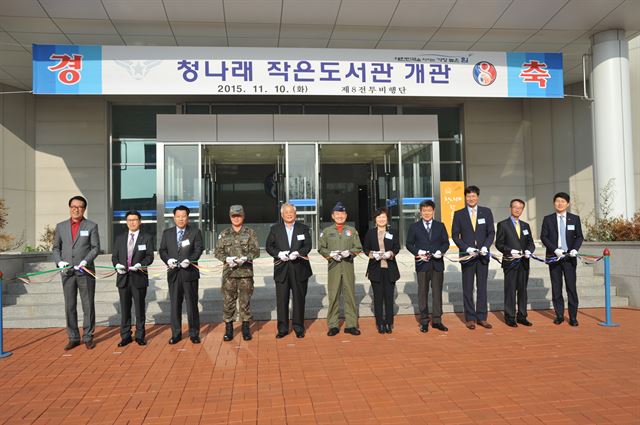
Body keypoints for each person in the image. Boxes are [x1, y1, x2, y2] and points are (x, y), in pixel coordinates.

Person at [52, 195, 101, 350]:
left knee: (88, 305)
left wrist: (85, 261)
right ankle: (73, 337)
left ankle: (88, 336)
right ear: (69, 208)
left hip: (85, 271)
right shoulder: (60, 226)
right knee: (70, 305)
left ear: (84, 209)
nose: (76, 209)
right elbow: (55, 248)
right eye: (73, 206)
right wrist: (59, 261)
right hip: (67, 272)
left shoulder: (91, 226)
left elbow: (95, 248)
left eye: (79, 207)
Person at [265, 203, 313, 338]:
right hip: (282, 269)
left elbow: (308, 245)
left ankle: (298, 327)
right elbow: (269, 246)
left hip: (299, 268)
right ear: (282, 215)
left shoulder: (303, 228)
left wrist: (298, 252)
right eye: (286, 212)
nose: (289, 214)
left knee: (299, 299)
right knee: (282, 300)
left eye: (291, 212)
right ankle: (282, 328)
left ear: (295, 213)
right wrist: (278, 254)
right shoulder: (275, 229)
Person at [451, 185, 495, 330]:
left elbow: (491, 233)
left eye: (474, 196)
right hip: (467, 256)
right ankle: (470, 318)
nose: (471, 198)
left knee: (482, 287)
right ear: (465, 198)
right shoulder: (459, 214)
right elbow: (455, 235)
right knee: (468, 288)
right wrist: (466, 248)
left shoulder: (486, 212)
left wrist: (485, 247)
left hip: (482, 256)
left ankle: (482, 317)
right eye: (468, 196)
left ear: (478, 197)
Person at [159, 205, 204, 344]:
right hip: (174, 274)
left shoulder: (195, 232)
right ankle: (176, 334)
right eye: (178, 216)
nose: (180, 219)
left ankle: (194, 333)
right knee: (175, 305)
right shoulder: (167, 233)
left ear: (188, 217)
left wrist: (189, 260)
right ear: (174, 217)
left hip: (189, 273)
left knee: (191, 305)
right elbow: (162, 250)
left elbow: (199, 249)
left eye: (183, 216)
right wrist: (168, 260)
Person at [214, 205, 260, 341]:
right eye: (234, 216)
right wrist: (226, 259)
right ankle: (229, 329)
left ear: (243, 216)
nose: (236, 218)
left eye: (238, 216)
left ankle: (246, 328)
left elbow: (256, 251)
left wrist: (246, 258)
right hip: (229, 274)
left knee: (245, 302)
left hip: (245, 273)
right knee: (228, 302)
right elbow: (218, 251)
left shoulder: (250, 233)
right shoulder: (224, 233)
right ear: (230, 217)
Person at [318, 202, 363, 336]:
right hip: (334, 267)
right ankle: (333, 325)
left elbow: (358, 247)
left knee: (350, 295)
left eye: (342, 214)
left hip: (348, 266)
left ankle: (351, 325)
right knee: (334, 295)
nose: (340, 216)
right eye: (337, 214)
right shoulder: (327, 231)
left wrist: (349, 252)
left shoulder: (352, 230)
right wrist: (330, 254)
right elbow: (321, 248)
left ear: (346, 215)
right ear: (333, 216)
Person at [540, 192, 584, 326]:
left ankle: (573, 317)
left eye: (563, 201)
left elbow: (579, 236)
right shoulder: (548, 219)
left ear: (568, 204)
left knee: (571, 287)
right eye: (558, 201)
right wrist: (555, 249)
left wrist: (575, 249)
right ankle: (559, 315)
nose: (560, 203)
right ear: (554, 203)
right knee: (556, 286)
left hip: (569, 258)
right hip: (555, 257)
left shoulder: (574, 218)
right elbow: (544, 237)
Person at [405, 200, 450, 333]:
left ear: (433, 211)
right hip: (422, 265)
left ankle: (437, 320)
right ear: (420, 212)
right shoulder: (414, 227)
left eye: (429, 210)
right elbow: (409, 244)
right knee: (422, 293)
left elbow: (445, 243)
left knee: (437, 293)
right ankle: (424, 321)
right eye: (424, 211)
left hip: (437, 264)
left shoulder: (440, 226)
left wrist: (440, 252)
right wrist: (418, 252)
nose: (427, 213)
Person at [111, 210, 154, 346]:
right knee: (125, 309)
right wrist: (116, 264)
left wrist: (141, 264)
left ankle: (140, 335)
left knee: (140, 308)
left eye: (135, 220)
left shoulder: (146, 237)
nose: (132, 222)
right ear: (126, 222)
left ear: (140, 221)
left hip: (138, 277)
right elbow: (115, 256)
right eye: (129, 220)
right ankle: (125, 336)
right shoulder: (120, 237)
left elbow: (149, 256)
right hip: (123, 278)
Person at [495, 199, 536, 327]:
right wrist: (510, 251)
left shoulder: (525, 225)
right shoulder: (503, 224)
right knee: (511, 290)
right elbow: (499, 243)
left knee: (523, 290)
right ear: (510, 208)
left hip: (524, 262)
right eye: (515, 207)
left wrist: (529, 251)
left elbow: (530, 242)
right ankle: (510, 317)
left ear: (522, 210)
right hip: (510, 262)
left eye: (520, 208)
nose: (517, 209)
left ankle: (522, 316)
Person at [362, 208, 400, 334]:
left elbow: (397, 247)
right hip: (375, 269)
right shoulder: (370, 233)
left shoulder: (393, 232)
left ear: (387, 218)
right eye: (379, 217)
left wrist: (391, 253)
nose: (381, 219)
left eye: (383, 217)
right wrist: (373, 254)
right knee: (378, 298)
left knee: (389, 298)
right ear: (375, 220)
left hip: (390, 268)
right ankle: (380, 323)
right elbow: (366, 248)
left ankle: (389, 323)